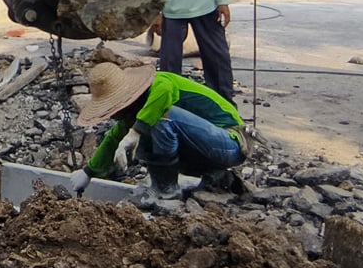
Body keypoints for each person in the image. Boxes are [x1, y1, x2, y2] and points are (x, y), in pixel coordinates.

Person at [69, 62, 250, 203]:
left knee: (161, 119)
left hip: (230, 143)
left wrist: (136, 132)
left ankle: (166, 190)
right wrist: (88, 172)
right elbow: (114, 139)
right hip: (207, 151)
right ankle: (185, 182)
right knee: (146, 128)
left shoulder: (160, 83)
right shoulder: (137, 110)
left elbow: (163, 95)